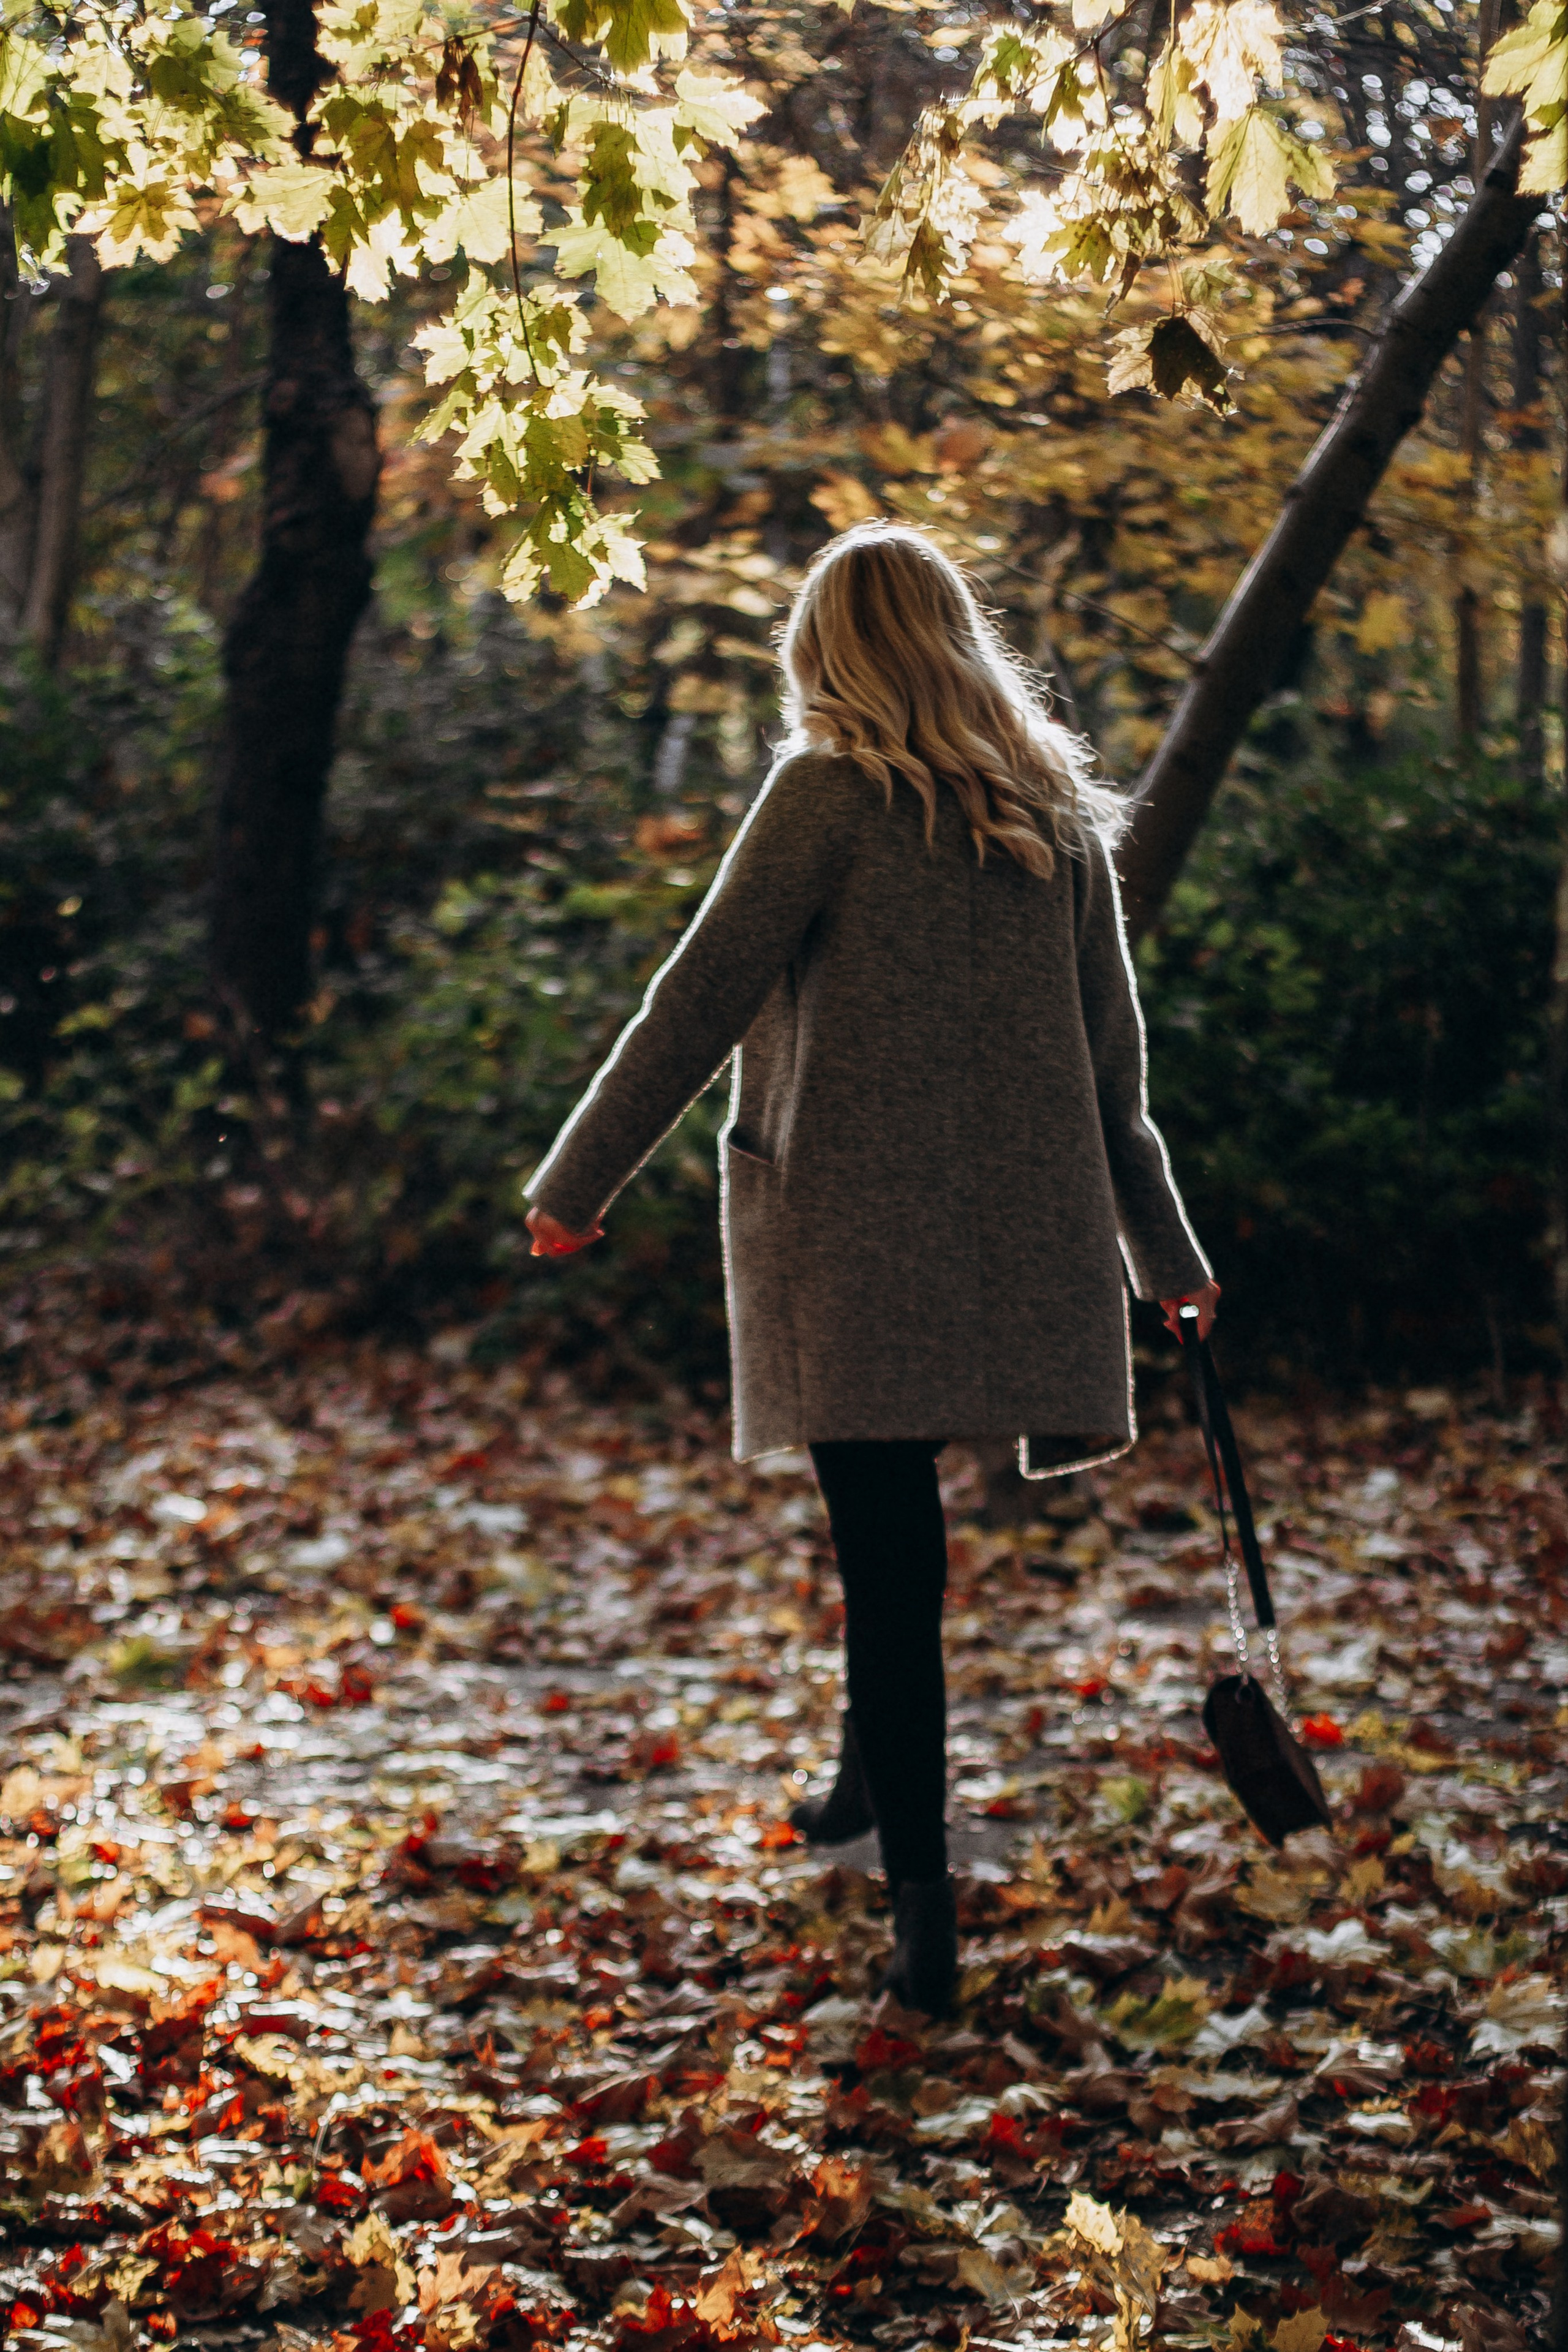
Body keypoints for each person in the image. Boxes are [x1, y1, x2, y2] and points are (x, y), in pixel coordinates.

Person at [521, 522, 1219, 2018]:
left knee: (889, 1564)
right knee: (895, 1557)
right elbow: (1116, 1076)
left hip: (851, 1243)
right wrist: (1164, 1252)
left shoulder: (824, 793)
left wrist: (577, 1180)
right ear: (955, 641)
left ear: (827, 650)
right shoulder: (1054, 819)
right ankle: (858, 1794)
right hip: (1014, 1242)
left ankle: (920, 1915)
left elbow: (698, 994)